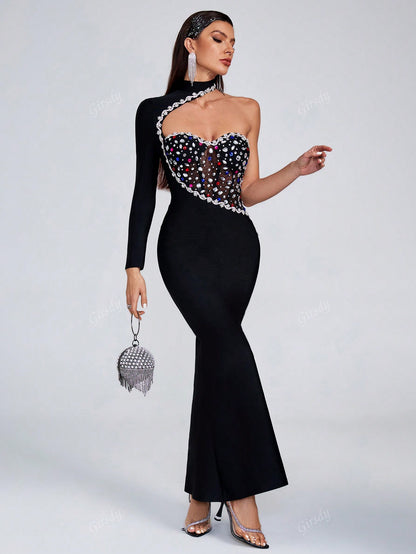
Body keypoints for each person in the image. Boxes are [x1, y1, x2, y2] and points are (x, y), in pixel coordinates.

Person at [124, 10, 332, 549]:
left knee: (217, 358)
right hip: (182, 249)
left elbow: (249, 192)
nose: (229, 49)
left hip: (238, 248)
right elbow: (144, 190)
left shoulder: (248, 108)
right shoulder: (153, 112)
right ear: (190, 44)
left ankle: (201, 493)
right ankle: (242, 494)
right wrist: (133, 266)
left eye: (234, 42)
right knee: (230, 352)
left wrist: (296, 169)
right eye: (218, 38)